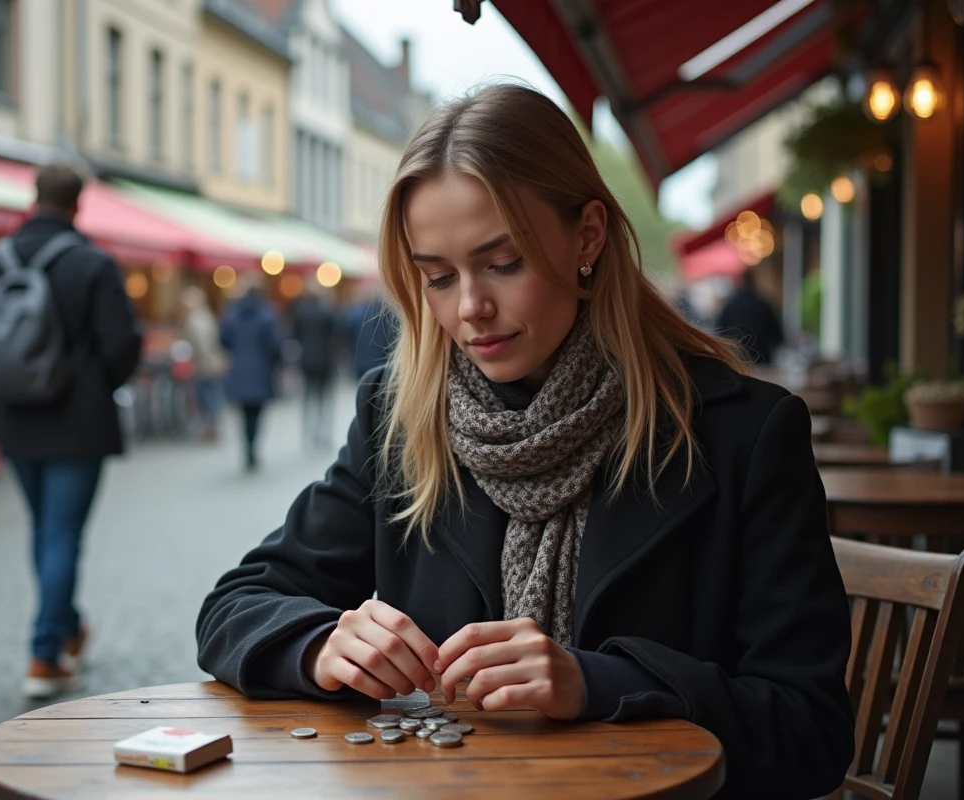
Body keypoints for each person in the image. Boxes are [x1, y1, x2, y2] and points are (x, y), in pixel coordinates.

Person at [196, 85, 854, 798]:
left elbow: (809, 731)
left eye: (502, 263)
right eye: (438, 277)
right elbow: (237, 605)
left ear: (589, 236)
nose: (470, 308)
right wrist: (320, 644)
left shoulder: (741, 433)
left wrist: (599, 681)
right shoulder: (401, 418)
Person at [0, 163, 143, 700]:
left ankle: (66, 627)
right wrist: (92, 381)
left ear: (32, 199)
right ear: (77, 204)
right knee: (61, 534)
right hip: (77, 422)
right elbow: (121, 347)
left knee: (45, 529)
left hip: (13, 420)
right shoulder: (93, 265)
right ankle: (44, 655)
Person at [220, 278, 283, 472]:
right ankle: (252, 448)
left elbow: (223, 339)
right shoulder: (267, 314)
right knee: (257, 413)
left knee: (244, 413)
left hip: (238, 369)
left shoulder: (231, 313)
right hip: (261, 370)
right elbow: (275, 344)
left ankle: (247, 448)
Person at [289, 284, 338, 449]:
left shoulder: (300, 312)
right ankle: (323, 433)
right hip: (325, 360)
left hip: (307, 360)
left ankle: (308, 434)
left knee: (308, 398)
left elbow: (295, 335)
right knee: (325, 399)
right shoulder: (327, 311)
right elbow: (335, 334)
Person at [179, 286, 228, 442]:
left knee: (206, 398)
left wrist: (201, 360)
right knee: (212, 397)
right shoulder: (206, 316)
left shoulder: (195, 320)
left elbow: (202, 345)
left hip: (205, 365)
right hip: (212, 363)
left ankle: (209, 429)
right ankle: (211, 428)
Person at [715, 269, 785, 364]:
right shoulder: (764, 305)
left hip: (736, 360)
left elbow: (720, 333)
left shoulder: (730, 306)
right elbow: (777, 336)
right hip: (762, 360)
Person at [342, 284, 396, 379]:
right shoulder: (388, 316)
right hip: (381, 361)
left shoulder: (354, 314)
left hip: (360, 360)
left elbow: (348, 337)